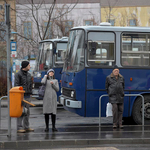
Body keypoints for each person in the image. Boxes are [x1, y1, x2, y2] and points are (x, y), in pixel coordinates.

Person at [15, 60, 34, 133]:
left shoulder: (29, 74)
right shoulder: (18, 74)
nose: (30, 66)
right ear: (25, 66)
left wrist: (30, 92)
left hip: (28, 95)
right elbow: (17, 85)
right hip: (21, 95)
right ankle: (19, 127)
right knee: (21, 112)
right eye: (29, 65)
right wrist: (19, 94)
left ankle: (26, 126)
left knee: (27, 112)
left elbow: (30, 84)